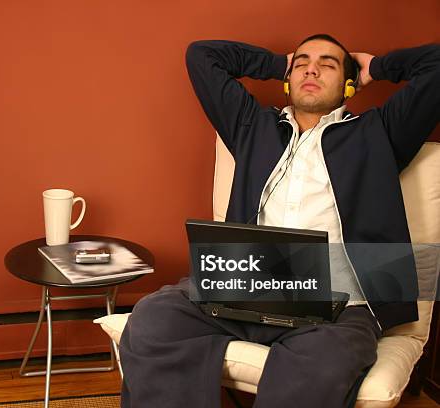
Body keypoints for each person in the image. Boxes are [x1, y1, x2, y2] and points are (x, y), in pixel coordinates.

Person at [118, 34, 440, 408]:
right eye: (302, 63)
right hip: (244, 286)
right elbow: (201, 56)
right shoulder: (251, 127)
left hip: (336, 306)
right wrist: (277, 62)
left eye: (329, 64)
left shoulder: (379, 133)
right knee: (154, 320)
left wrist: (379, 66)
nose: (311, 69)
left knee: (323, 366)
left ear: (349, 84)